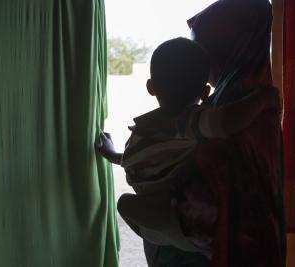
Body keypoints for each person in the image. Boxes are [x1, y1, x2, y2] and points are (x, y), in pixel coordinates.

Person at [96, 37, 280, 266]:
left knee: (124, 203)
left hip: (175, 208)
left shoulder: (177, 123)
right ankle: (174, 232)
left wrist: (111, 153)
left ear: (151, 87)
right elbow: (229, 121)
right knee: (128, 205)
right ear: (204, 92)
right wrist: (262, 99)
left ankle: (173, 230)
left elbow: (227, 121)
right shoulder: (186, 122)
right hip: (178, 219)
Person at [170, 0, 286, 266]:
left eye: (202, 51)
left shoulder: (245, 106)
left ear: (226, 47)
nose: (197, 65)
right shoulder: (250, 94)